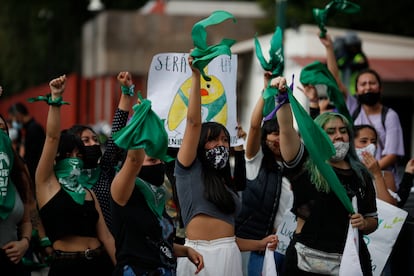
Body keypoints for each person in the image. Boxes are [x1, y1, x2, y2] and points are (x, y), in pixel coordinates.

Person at [174, 53, 277, 275]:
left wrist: (260, 243)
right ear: (200, 143)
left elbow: (229, 239)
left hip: (229, 258)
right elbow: (193, 123)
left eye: (224, 140)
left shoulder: (225, 181)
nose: (220, 144)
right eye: (212, 139)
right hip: (197, 258)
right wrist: (196, 76)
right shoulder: (187, 169)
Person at [272, 76, 378, 275]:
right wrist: (283, 97)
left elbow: (372, 219)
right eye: (330, 131)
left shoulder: (361, 174)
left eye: (343, 131)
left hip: (350, 261)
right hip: (305, 261)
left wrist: (364, 223)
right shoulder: (304, 165)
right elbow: (286, 130)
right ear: (318, 136)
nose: (339, 136)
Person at [109, 73, 204, 275]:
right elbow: (135, 160)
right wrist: (142, 120)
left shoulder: (157, 196)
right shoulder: (122, 189)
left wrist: (185, 250)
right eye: (152, 160)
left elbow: (157, 242)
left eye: (161, 160)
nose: (159, 165)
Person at [35, 75, 116, 276]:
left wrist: (121, 269)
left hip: (100, 264)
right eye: (67, 154)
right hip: (67, 267)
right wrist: (56, 99)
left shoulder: (89, 193)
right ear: (56, 158)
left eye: (79, 155)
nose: (75, 159)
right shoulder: (46, 184)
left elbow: (106, 237)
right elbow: (52, 138)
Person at [319, 33, 405, 183]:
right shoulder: (353, 108)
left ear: (380, 88)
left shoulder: (390, 116)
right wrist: (329, 48)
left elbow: (392, 155)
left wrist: (368, 173)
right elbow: (336, 81)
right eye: (363, 84)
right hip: (357, 181)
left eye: (372, 83)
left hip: (383, 182)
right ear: (357, 90)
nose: (368, 87)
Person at [236, 72, 292, 275]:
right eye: (275, 133)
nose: (280, 139)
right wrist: (266, 91)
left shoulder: (294, 167)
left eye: (284, 133)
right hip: (252, 248)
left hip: (282, 248)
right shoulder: (255, 160)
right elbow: (254, 125)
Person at [0, 114, 34, 276]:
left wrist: (24, 243)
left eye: (2, 130)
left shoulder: (19, 173)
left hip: (13, 262)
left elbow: (27, 220)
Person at [354, 124, 398, 205]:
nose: (371, 146)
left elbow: (391, 208)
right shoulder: (344, 172)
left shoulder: (386, 176)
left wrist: (377, 175)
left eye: (373, 142)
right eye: (364, 141)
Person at [8, 102, 46, 184]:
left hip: (36, 174)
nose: (13, 123)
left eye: (12, 119)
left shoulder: (34, 129)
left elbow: (33, 157)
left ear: (18, 115)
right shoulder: (26, 129)